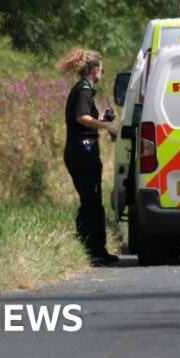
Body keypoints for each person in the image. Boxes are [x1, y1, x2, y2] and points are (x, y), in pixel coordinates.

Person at [56, 48, 119, 266]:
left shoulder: (82, 90)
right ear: (94, 70)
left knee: (89, 200)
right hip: (83, 150)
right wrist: (107, 126)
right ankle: (95, 251)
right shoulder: (83, 89)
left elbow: (85, 116)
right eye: (101, 70)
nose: (102, 74)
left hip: (78, 149)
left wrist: (101, 117)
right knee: (92, 201)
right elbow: (82, 117)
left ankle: (88, 246)